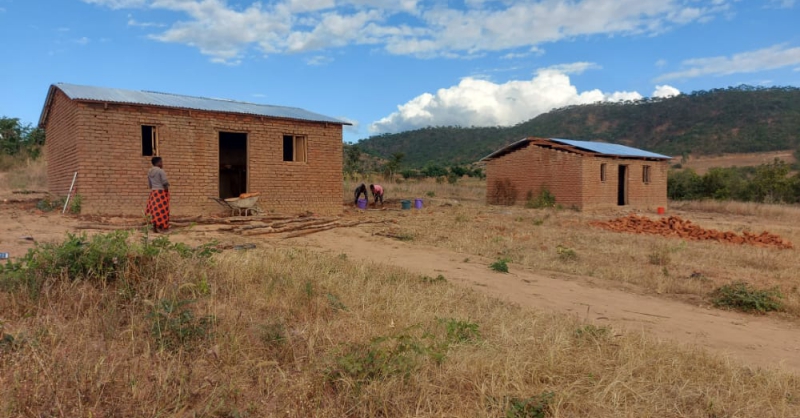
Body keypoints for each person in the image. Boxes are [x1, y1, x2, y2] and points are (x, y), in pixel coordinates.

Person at [146, 156, 170, 232]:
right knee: (162, 210)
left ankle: (154, 226)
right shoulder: (160, 171)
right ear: (159, 163)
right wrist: (166, 190)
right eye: (161, 162)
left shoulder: (149, 171)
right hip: (161, 192)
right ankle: (162, 227)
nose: (162, 164)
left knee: (154, 210)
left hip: (153, 193)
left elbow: (150, 184)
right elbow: (165, 182)